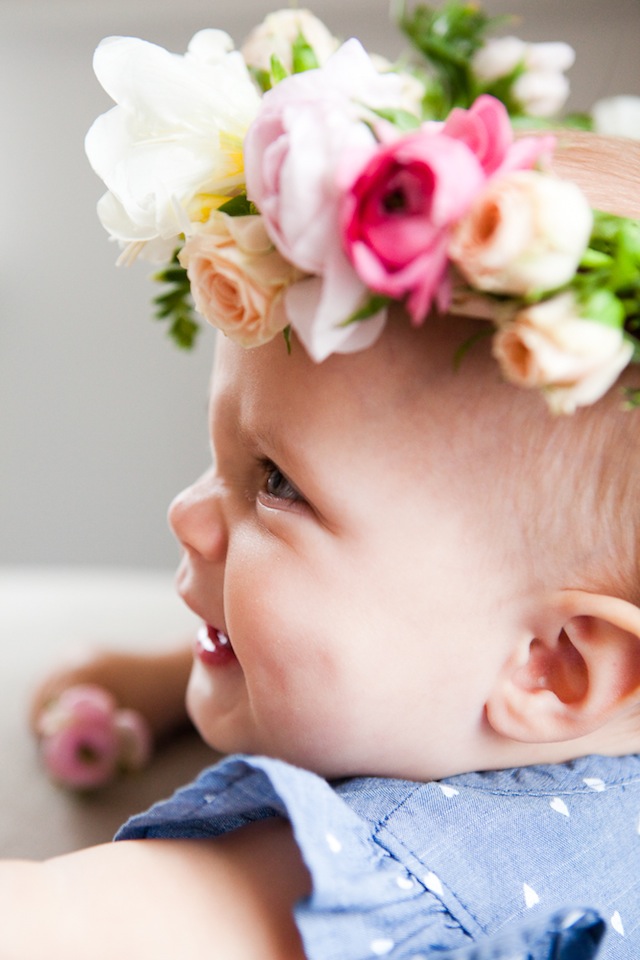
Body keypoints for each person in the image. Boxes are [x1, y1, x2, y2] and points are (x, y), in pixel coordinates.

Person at [15, 5, 640, 959]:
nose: (186, 515)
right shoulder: (508, 682)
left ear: (550, 662)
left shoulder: (406, 868)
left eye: (275, 483)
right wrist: (169, 667)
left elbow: (63, 925)